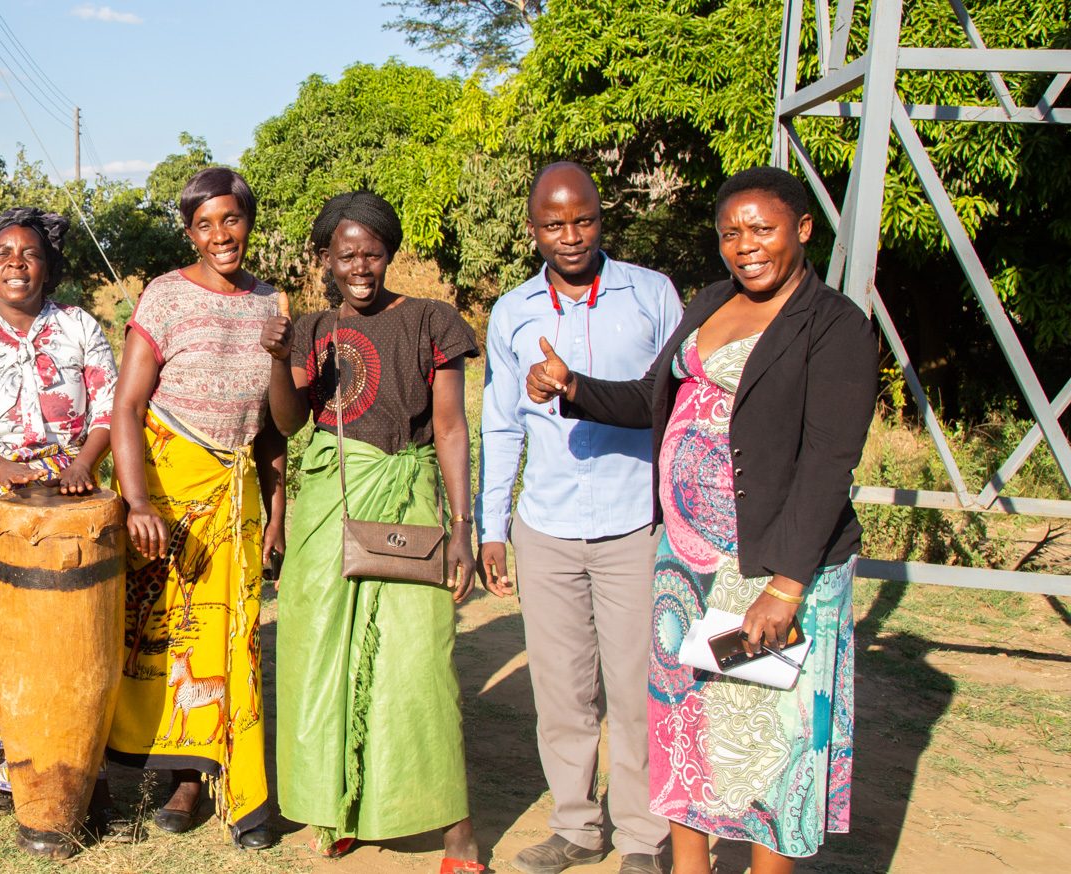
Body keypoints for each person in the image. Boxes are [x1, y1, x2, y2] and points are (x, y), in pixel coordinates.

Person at [526, 166, 877, 874]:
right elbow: (656, 402)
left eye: (763, 229)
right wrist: (573, 387)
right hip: (686, 565)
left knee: (766, 734)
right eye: (730, 232)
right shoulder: (712, 301)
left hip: (767, 566)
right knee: (688, 722)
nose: (745, 245)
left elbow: (827, 462)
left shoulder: (834, 325)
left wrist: (786, 586)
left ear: (803, 229)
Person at [264, 191, 486, 871]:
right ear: (325, 259)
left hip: (409, 500)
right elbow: (288, 424)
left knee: (418, 666)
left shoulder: (431, 321)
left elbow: (449, 427)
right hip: (330, 507)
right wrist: (279, 358)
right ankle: (339, 808)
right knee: (321, 660)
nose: (359, 266)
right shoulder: (308, 328)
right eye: (345, 254)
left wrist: (462, 527)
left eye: (372, 252)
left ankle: (459, 837)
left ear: (389, 253)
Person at [478, 163, 683, 874]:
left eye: (584, 219)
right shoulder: (512, 312)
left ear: (603, 217)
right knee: (563, 691)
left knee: (635, 691)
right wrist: (492, 526)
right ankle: (576, 826)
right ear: (533, 229)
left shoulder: (651, 294)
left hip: (634, 522)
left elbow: (674, 402)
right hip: (548, 528)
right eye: (554, 224)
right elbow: (501, 426)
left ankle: (642, 838)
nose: (571, 236)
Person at [108, 167, 281, 851]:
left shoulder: (274, 303)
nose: (220, 235)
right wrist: (139, 502)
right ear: (189, 232)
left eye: (231, 219)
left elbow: (272, 427)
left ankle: (225, 785)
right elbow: (125, 405)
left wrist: (279, 508)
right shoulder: (166, 297)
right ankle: (152, 767)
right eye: (205, 224)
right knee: (153, 636)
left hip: (236, 490)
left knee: (230, 639)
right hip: (165, 486)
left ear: (248, 221)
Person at [0, 207, 118, 823]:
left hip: (71, 496)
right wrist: (2, 470)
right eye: (4, 254)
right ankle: (0, 758)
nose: (17, 262)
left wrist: (82, 464)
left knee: (72, 628)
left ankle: (73, 750)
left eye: (29, 253)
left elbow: (108, 409)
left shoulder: (79, 326)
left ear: (49, 266)